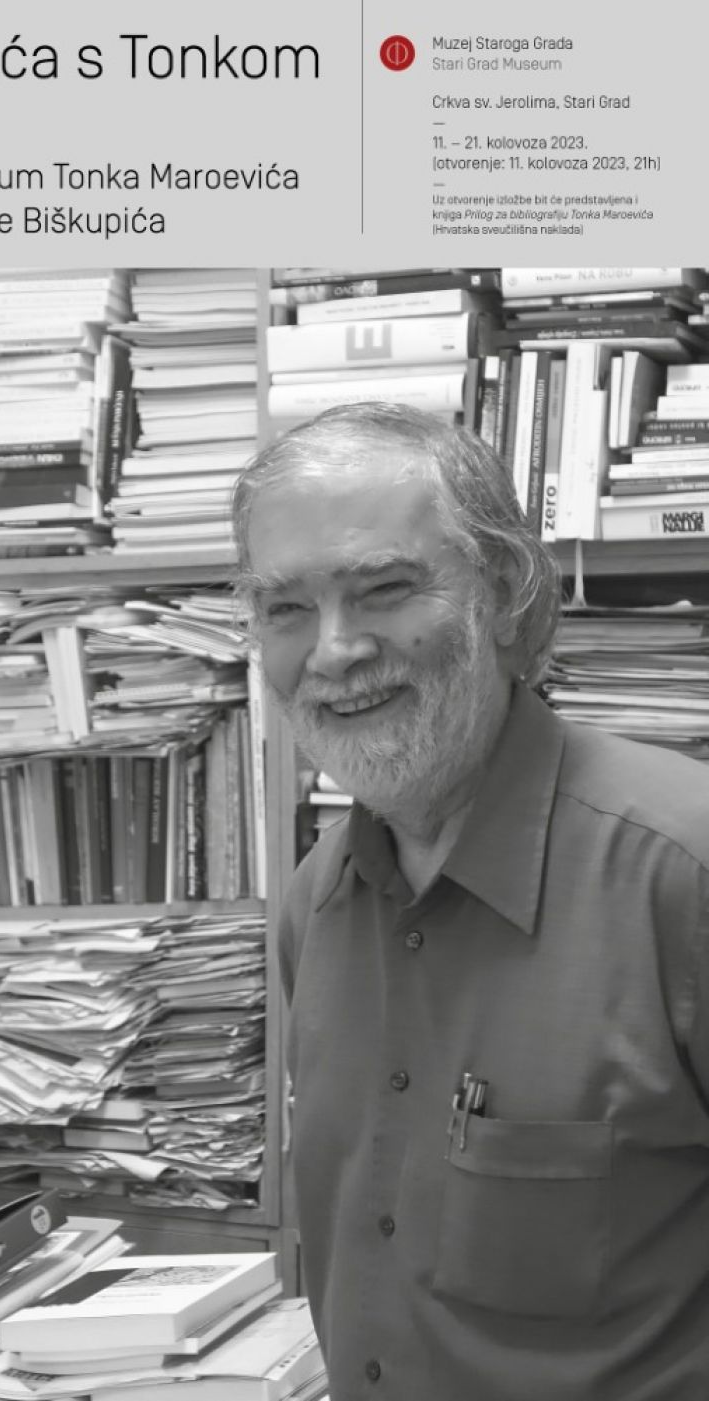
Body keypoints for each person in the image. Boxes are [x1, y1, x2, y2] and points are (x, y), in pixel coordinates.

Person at [232, 400, 709, 1401]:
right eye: (285, 609)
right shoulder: (315, 903)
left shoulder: (682, 873)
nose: (333, 651)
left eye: (383, 589)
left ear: (506, 597)